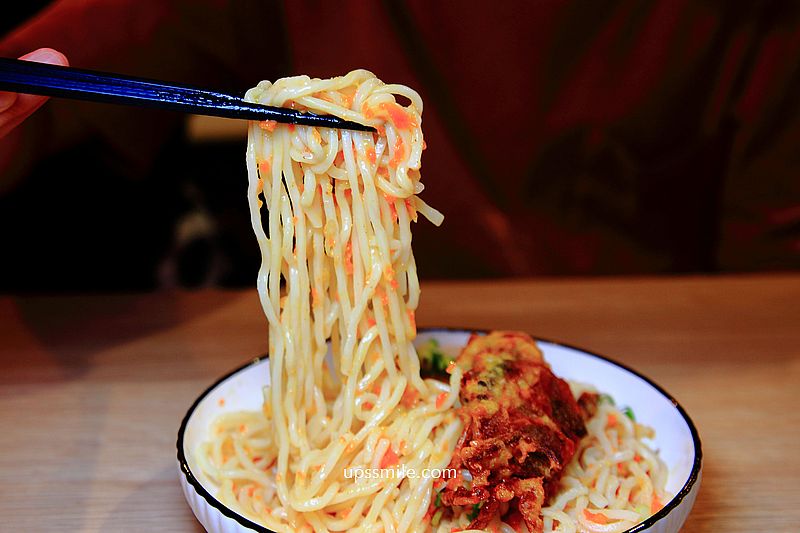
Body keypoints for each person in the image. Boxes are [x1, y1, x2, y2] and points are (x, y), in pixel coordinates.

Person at [2, 0, 799, 292]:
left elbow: (774, 301)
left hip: (670, 378)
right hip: (347, 370)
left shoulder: (752, 25)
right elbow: (61, 83)